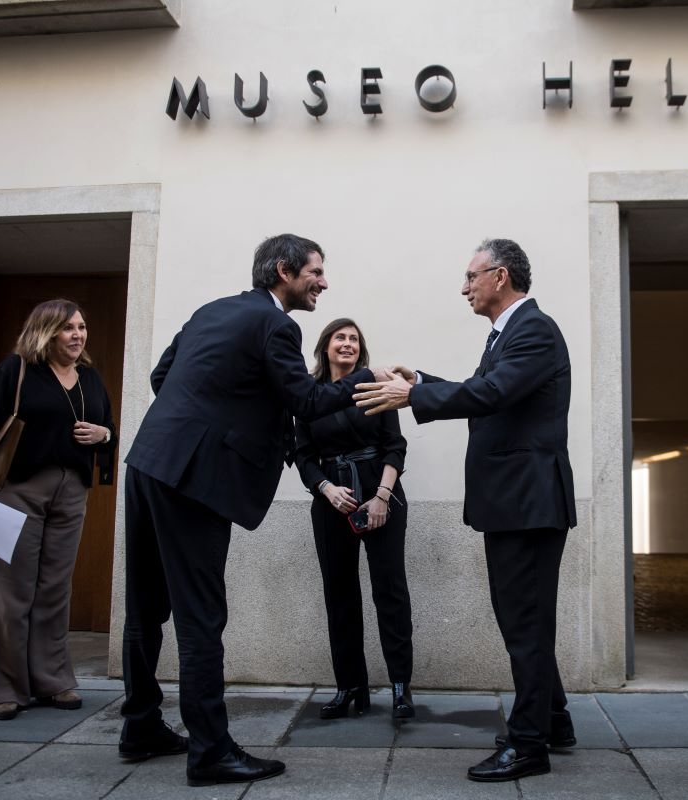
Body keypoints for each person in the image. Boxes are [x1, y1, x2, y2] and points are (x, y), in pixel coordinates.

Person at [118, 234, 388, 787]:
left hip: (148, 461)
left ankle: (141, 724)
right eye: (316, 271)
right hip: (193, 479)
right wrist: (370, 379)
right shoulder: (278, 326)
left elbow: (161, 379)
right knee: (201, 617)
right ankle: (211, 751)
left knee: (145, 608)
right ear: (284, 271)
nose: (324, 282)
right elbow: (307, 401)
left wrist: (215, 420)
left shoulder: (211, 310)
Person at [354, 238, 576, 783]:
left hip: (527, 504)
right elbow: (484, 387)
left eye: (471, 277)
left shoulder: (533, 330)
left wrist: (415, 399)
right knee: (525, 620)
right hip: (514, 503)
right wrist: (421, 383)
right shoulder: (511, 333)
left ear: (499, 276)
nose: (464, 288)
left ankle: (528, 746)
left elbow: (492, 392)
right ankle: (552, 720)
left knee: (523, 623)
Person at [0, 299, 116, 722]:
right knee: (12, 590)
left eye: (81, 327)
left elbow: (109, 430)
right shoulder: (18, 370)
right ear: (46, 332)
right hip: (20, 488)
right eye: (68, 329)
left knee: (54, 589)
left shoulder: (90, 378)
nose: (78, 335)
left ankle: (51, 679)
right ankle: (4, 687)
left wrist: (103, 435)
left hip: (71, 491)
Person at [295, 318, 414, 720]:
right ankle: (350, 687)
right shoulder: (309, 396)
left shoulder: (376, 387)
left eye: (353, 339)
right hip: (333, 501)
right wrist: (326, 489)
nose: (346, 344)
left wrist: (381, 497)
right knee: (340, 595)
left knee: (390, 591)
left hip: (380, 495)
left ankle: (401, 687)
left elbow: (395, 447)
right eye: (339, 338)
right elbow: (304, 456)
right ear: (325, 346)